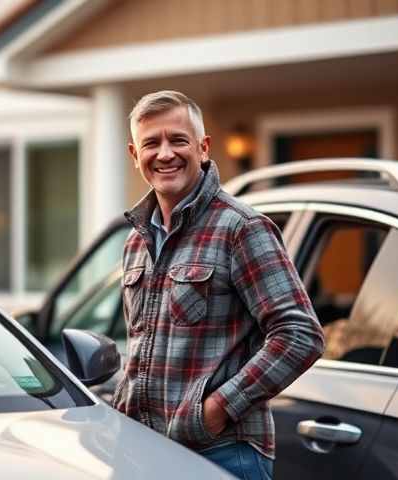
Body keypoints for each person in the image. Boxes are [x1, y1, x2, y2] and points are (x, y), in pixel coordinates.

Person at [113, 90, 324, 479]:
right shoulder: (136, 242)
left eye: (178, 140)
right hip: (144, 453)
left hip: (222, 454)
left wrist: (214, 411)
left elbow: (300, 335)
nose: (165, 154)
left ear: (203, 147)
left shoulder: (241, 228)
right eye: (151, 143)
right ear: (134, 155)